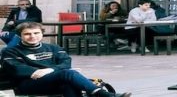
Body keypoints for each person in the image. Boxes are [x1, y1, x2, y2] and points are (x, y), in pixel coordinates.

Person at [0, 21, 128, 97]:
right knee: (68, 74)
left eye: (36, 33)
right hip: (29, 84)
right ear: (19, 36)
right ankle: (102, 94)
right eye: (27, 34)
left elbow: (66, 62)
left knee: (68, 84)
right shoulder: (10, 51)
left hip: (54, 81)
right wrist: (54, 71)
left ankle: (100, 94)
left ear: (42, 34)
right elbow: (17, 69)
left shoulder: (53, 47)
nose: (32, 36)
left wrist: (48, 70)